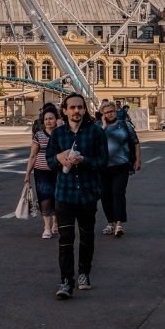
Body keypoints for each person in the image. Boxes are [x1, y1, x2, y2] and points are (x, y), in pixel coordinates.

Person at [46, 93, 108, 299]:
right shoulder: (57, 134)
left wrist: (84, 160)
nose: (76, 111)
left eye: (80, 107)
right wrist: (58, 158)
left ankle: (84, 273)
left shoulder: (96, 132)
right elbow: (49, 162)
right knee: (65, 239)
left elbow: (103, 162)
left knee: (87, 237)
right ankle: (65, 281)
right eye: (72, 108)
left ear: (85, 110)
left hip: (88, 194)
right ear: (64, 111)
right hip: (64, 194)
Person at [98, 101, 141, 237]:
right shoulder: (98, 127)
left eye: (112, 111)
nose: (110, 114)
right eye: (107, 112)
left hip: (121, 165)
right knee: (105, 195)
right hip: (103, 167)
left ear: (115, 111)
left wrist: (137, 160)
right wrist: (103, 127)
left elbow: (135, 142)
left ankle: (119, 224)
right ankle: (110, 222)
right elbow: (93, 143)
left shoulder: (125, 125)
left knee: (118, 193)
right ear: (102, 115)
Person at [24, 105, 59, 239]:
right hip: (41, 171)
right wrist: (27, 173)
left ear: (56, 119)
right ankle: (46, 227)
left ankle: (56, 223)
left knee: (57, 198)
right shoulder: (39, 135)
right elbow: (33, 155)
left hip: (58, 171)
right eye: (46, 119)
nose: (48, 121)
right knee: (44, 198)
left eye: (51, 118)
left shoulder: (61, 134)